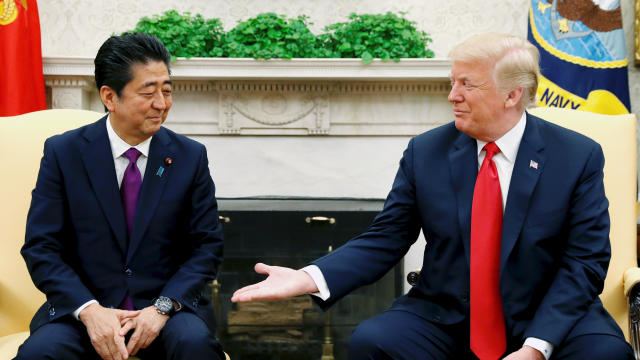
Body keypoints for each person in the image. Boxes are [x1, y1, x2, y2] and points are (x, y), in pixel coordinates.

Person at [232, 33, 634, 360]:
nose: (452, 96)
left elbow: (584, 263)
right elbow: (386, 238)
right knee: (373, 342)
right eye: (451, 82)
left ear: (512, 95)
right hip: (448, 315)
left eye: (466, 84)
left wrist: (535, 348)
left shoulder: (576, 157)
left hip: (549, 315)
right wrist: (307, 277)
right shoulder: (426, 152)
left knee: (605, 354)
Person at [16, 33, 225, 360]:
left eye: (167, 91)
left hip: (166, 312)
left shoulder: (188, 156)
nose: (161, 104)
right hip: (83, 313)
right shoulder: (64, 152)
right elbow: (41, 246)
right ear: (110, 97)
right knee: (39, 354)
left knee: (195, 347)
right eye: (148, 92)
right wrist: (89, 310)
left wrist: (161, 309)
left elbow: (207, 246)